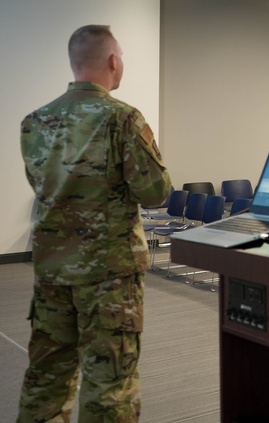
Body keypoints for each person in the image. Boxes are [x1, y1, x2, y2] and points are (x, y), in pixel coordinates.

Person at [18, 25, 171, 423]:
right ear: (113, 62)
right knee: (109, 385)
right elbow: (155, 191)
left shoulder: (35, 121)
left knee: (46, 378)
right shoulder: (123, 119)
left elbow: (42, 186)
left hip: (52, 270)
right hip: (109, 275)